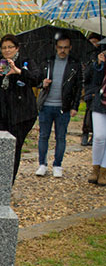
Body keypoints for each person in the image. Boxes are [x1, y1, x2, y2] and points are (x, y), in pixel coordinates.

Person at [0, 34, 42, 182]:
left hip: (21, 114)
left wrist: (18, 71)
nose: (7, 50)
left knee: (14, 147)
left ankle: (9, 181)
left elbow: (36, 79)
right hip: (0, 112)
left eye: (10, 47)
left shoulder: (26, 61)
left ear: (17, 48)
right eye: (4, 47)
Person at [36, 33, 82, 178]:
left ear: (70, 48)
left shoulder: (74, 64)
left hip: (64, 106)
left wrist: (75, 106)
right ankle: (42, 164)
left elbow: (78, 87)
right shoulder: (47, 62)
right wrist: (42, 83)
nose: (63, 50)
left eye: (66, 48)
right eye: (60, 47)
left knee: (61, 137)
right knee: (43, 135)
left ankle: (58, 164)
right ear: (56, 47)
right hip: (46, 104)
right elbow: (36, 79)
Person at [86, 49, 106, 185]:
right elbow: (95, 81)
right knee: (99, 136)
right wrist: (100, 65)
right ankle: (95, 167)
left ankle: (104, 171)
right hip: (101, 101)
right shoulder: (102, 60)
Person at [82, 33, 103, 147]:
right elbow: (86, 75)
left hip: (100, 89)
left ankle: (95, 134)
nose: (94, 44)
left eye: (96, 41)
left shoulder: (102, 53)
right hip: (90, 89)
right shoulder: (87, 55)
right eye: (92, 41)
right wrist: (96, 64)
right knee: (89, 111)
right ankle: (85, 132)